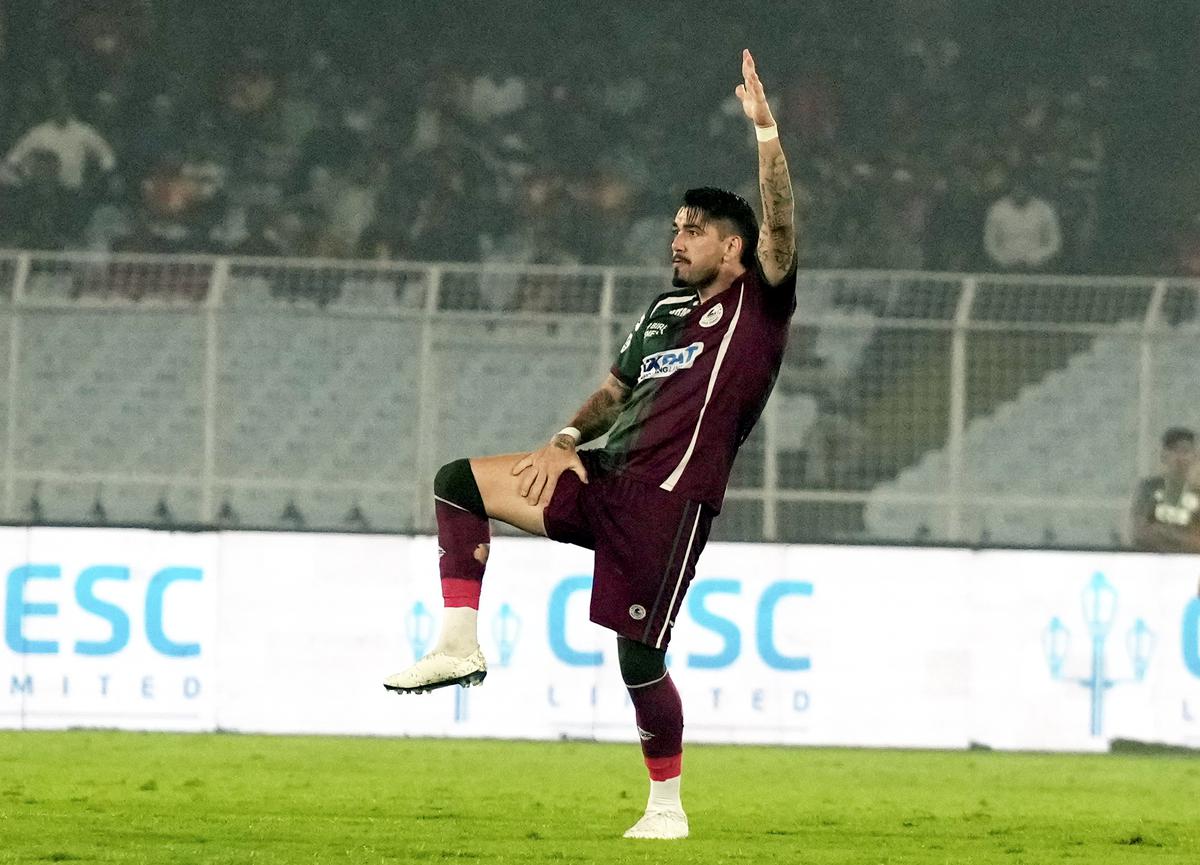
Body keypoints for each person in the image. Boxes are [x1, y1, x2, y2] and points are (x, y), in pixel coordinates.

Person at [383, 50, 798, 841]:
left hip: (668, 504)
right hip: (601, 476)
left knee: (638, 660)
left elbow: (779, 221)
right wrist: (567, 436)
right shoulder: (662, 315)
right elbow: (613, 392)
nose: (678, 239)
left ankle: (667, 809)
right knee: (458, 482)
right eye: (675, 227)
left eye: (696, 230)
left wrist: (767, 132)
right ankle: (458, 646)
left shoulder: (758, 302)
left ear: (734, 249)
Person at [1130, 427, 1200, 553]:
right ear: (1164, 455)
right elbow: (1139, 532)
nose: (1180, 458)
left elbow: (1197, 541)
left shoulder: (1197, 493)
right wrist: (1182, 538)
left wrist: (1165, 533)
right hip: (1151, 561)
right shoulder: (1150, 488)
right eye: (1174, 451)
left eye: (1185, 451)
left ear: (1194, 457)